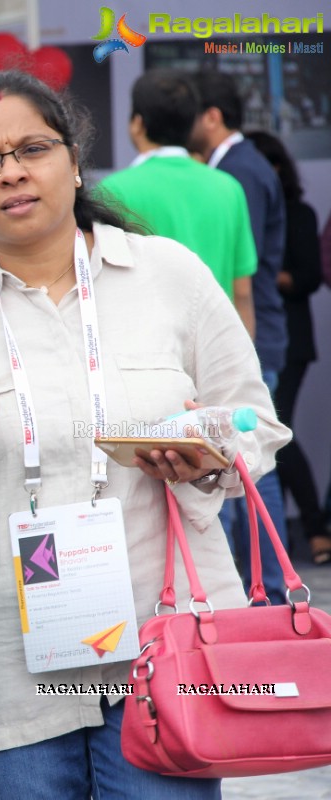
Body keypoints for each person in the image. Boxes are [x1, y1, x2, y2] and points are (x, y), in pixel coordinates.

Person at [0, 70, 288, 800]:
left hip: (166, 650)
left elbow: (255, 422)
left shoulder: (168, 275)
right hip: (6, 667)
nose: (12, 172)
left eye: (32, 147)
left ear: (74, 158)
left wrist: (204, 454)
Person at [190, 70, 290, 605]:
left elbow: (242, 276)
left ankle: (268, 591)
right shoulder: (233, 169)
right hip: (247, 335)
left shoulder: (239, 172)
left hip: (250, 339)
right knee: (242, 463)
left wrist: (242, 348)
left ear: (212, 117)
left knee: (255, 463)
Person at [98, 69, 256, 334]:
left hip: (149, 354)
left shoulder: (112, 192)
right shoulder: (228, 188)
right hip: (217, 348)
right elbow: (242, 292)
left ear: (137, 123)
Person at [243, 129, 328, 564]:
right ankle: (303, 534)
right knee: (269, 435)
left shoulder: (299, 214)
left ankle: (313, 529)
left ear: (278, 168)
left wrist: (255, 273)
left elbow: (310, 277)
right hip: (256, 335)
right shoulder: (241, 210)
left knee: (276, 434)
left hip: (288, 339)